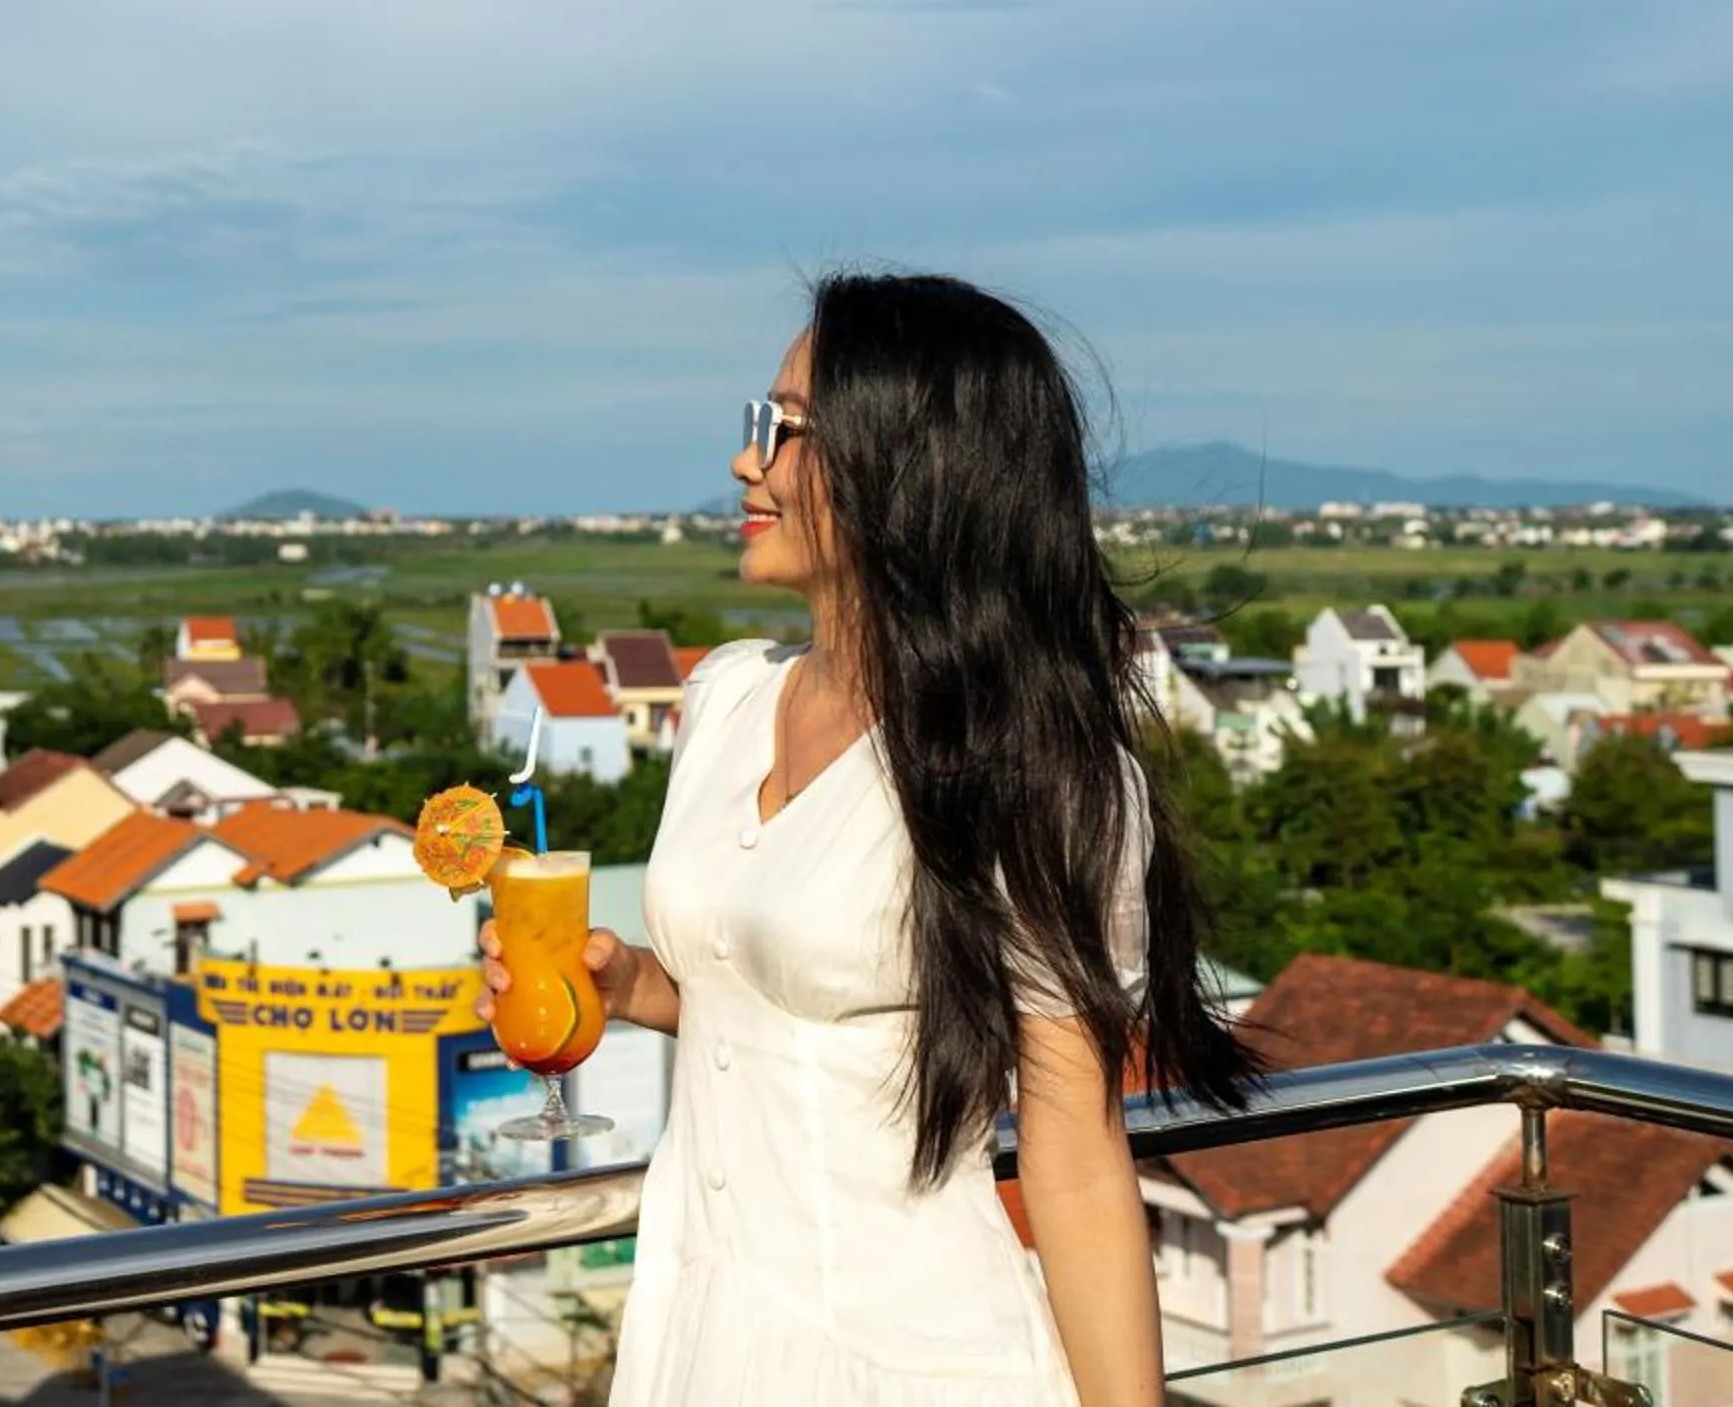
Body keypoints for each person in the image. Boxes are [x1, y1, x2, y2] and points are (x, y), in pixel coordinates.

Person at [477, 271, 1261, 1405]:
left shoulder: (1030, 771)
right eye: (759, 421)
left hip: (909, 1360)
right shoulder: (726, 699)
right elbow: (788, 1014)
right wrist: (628, 984)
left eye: (786, 429)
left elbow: (1077, 1163)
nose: (745, 461)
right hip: (698, 1330)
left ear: (910, 465)